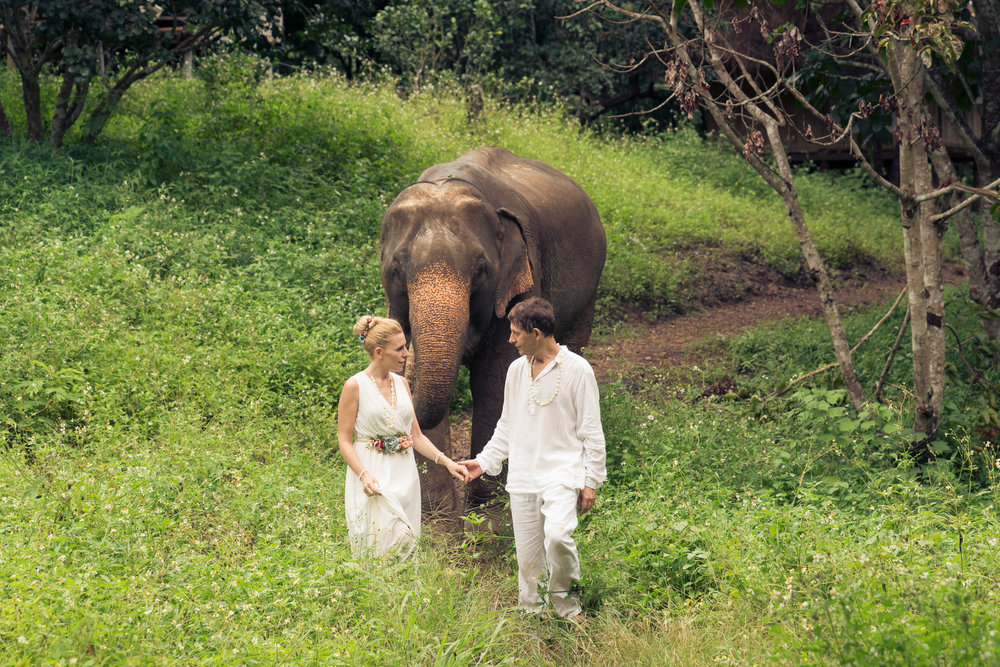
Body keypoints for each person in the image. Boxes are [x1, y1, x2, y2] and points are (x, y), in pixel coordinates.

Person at [458, 297, 606, 620]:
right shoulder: (515, 370)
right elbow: (507, 425)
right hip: (523, 476)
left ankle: (569, 608)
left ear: (536, 333)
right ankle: (533, 616)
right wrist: (482, 462)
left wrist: (591, 481)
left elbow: (592, 431)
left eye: (515, 333)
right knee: (528, 556)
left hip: (562, 473)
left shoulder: (578, 370)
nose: (510, 339)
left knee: (557, 536)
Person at [337, 315, 468, 558]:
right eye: (399, 349)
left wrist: (447, 462)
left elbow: (415, 435)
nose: (406, 353)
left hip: (405, 474)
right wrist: (363, 475)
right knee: (377, 546)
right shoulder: (354, 386)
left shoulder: (402, 384)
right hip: (372, 474)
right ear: (379, 352)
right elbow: (344, 440)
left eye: (405, 346)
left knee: (406, 547)